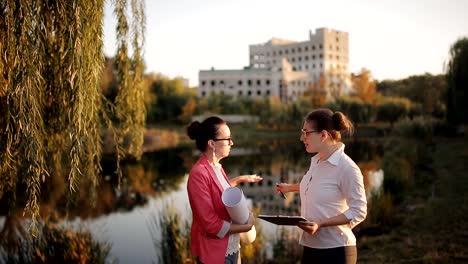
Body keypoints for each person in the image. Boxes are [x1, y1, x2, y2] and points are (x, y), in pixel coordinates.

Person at [276, 109, 367, 264]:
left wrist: (321, 224)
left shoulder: (347, 168)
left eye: (306, 133)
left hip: (336, 251)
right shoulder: (317, 161)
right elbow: (319, 187)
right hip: (310, 247)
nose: (301, 138)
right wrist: (290, 188)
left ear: (323, 135)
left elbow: (359, 211)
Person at [186, 116, 262, 264]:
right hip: (216, 253)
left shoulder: (217, 167)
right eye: (227, 139)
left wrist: (239, 179)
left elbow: (219, 192)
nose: (231, 143)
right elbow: (210, 224)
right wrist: (244, 227)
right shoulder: (198, 174)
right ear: (212, 144)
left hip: (233, 248)